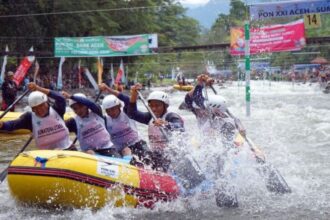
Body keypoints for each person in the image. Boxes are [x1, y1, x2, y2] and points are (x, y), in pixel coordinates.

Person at [128, 84, 206, 191]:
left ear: (165, 106)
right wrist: (133, 95)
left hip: (174, 156)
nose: (154, 108)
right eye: (152, 106)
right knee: (137, 151)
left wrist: (165, 124)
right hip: (158, 155)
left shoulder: (172, 116)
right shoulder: (150, 117)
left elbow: (178, 127)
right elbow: (132, 114)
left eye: (158, 105)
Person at [0, 82, 73, 150]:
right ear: (32, 109)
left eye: (41, 106)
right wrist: (2, 125)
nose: (40, 110)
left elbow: (60, 98)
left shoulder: (57, 110)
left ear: (47, 103)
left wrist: (38, 88)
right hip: (47, 156)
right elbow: (11, 125)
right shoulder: (29, 118)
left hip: (67, 149)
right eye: (35, 108)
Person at [184, 74, 246, 145]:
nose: (198, 112)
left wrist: (239, 139)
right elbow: (188, 99)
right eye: (197, 110)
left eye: (200, 110)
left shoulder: (227, 122)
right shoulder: (200, 112)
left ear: (217, 111)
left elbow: (240, 132)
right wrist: (200, 84)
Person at [98, 83, 148, 162]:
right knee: (125, 150)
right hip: (121, 150)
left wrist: (108, 88)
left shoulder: (127, 112)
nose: (111, 113)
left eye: (113, 109)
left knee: (150, 157)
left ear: (119, 106)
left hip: (137, 144)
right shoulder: (105, 120)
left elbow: (127, 99)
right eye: (108, 111)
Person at [62, 91, 119, 157]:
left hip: (108, 148)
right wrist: (68, 145)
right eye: (75, 109)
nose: (79, 111)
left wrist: (71, 97)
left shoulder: (96, 111)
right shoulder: (73, 122)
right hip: (89, 153)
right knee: (90, 152)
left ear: (86, 105)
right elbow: (59, 131)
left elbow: (90, 103)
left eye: (81, 106)